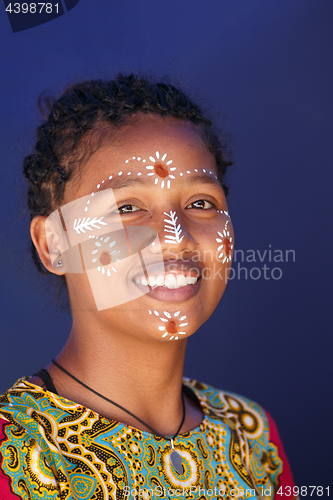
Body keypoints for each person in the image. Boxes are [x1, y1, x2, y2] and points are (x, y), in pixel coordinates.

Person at [0, 74, 296, 499]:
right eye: (128, 208)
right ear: (54, 244)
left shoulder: (253, 437)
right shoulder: (10, 449)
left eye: (201, 203)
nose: (177, 238)